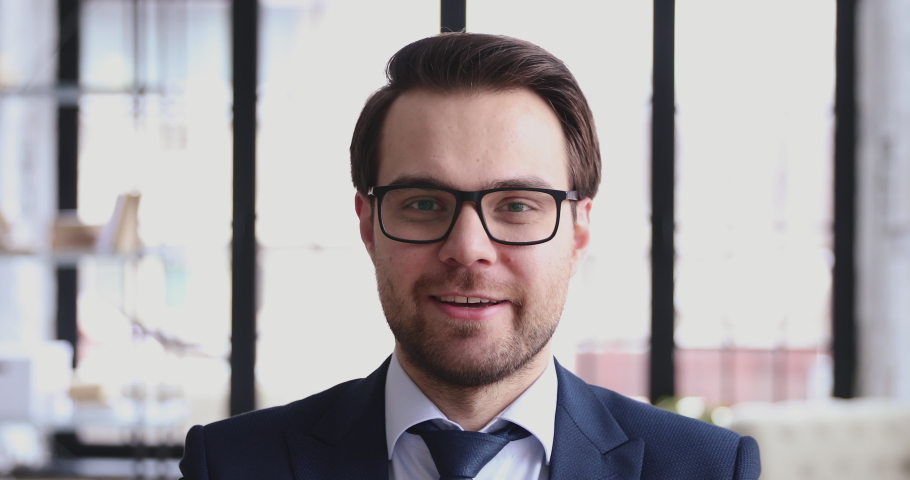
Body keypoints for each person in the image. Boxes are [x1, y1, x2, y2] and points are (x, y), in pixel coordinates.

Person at [179, 33, 761, 480]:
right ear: (368, 224)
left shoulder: (707, 469)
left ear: (579, 232)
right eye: (423, 203)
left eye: (517, 205)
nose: (467, 249)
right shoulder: (230, 464)